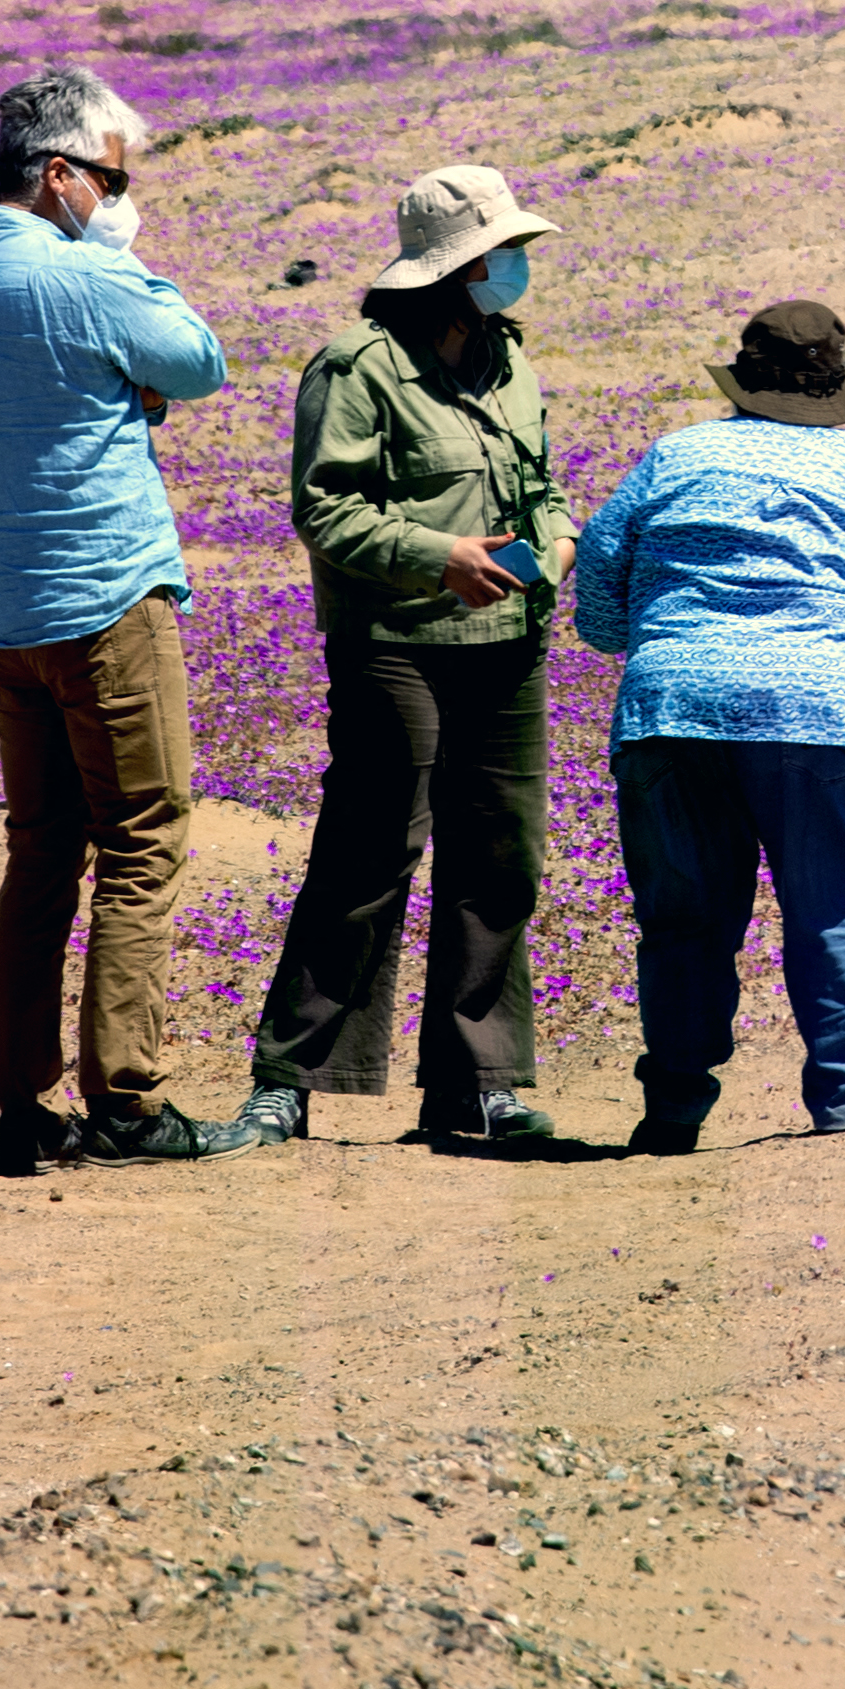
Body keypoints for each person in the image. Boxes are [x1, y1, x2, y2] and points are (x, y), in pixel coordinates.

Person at [0, 63, 245, 1178]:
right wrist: (116, 258)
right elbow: (196, 362)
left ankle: (18, 1104)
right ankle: (128, 1101)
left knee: (42, 849)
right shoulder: (83, 275)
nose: (119, 195)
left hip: (0, 609)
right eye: (110, 176)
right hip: (105, 599)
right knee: (142, 840)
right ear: (57, 176)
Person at [568, 299, 845, 1150]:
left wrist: (662, 642)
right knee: (833, 912)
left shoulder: (675, 458)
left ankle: (672, 1112)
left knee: (684, 922)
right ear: (834, 381)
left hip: (673, 711)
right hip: (822, 717)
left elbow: (596, 594)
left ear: (743, 374)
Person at [224, 166, 576, 1155]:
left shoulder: (509, 362)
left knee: (499, 858)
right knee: (369, 856)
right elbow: (326, 510)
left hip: (507, 642)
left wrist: (555, 542)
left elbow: (542, 483)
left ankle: (477, 1085)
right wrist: (442, 557)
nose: (513, 269)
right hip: (395, 647)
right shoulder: (357, 365)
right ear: (451, 269)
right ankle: (288, 1080)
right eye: (498, 255)